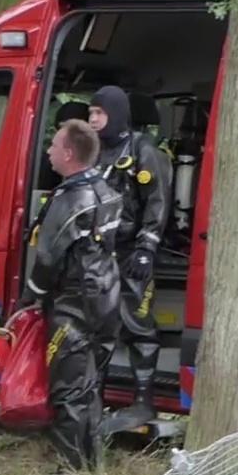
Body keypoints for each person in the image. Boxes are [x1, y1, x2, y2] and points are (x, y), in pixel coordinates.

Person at [19, 118, 121, 475]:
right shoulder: (108, 191)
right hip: (107, 297)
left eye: (53, 145)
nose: (47, 151)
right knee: (92, 383)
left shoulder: (70, 200)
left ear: (68, 153)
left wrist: (31, 297)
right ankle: (92, 461)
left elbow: (47, 259)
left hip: (74, 304)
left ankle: (70, 467)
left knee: (66, 386)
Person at [86, 86, 171, 420]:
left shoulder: (143, 151)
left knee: (138, 325)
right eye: (90, 114)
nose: (93, 120)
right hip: (99, 253)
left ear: (116, 114)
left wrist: (147, 248)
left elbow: (157, 201)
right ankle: (94, 399)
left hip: (132, 253)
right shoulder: (92, 152)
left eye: (99, 114)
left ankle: (143, 401)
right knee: (99, 325)